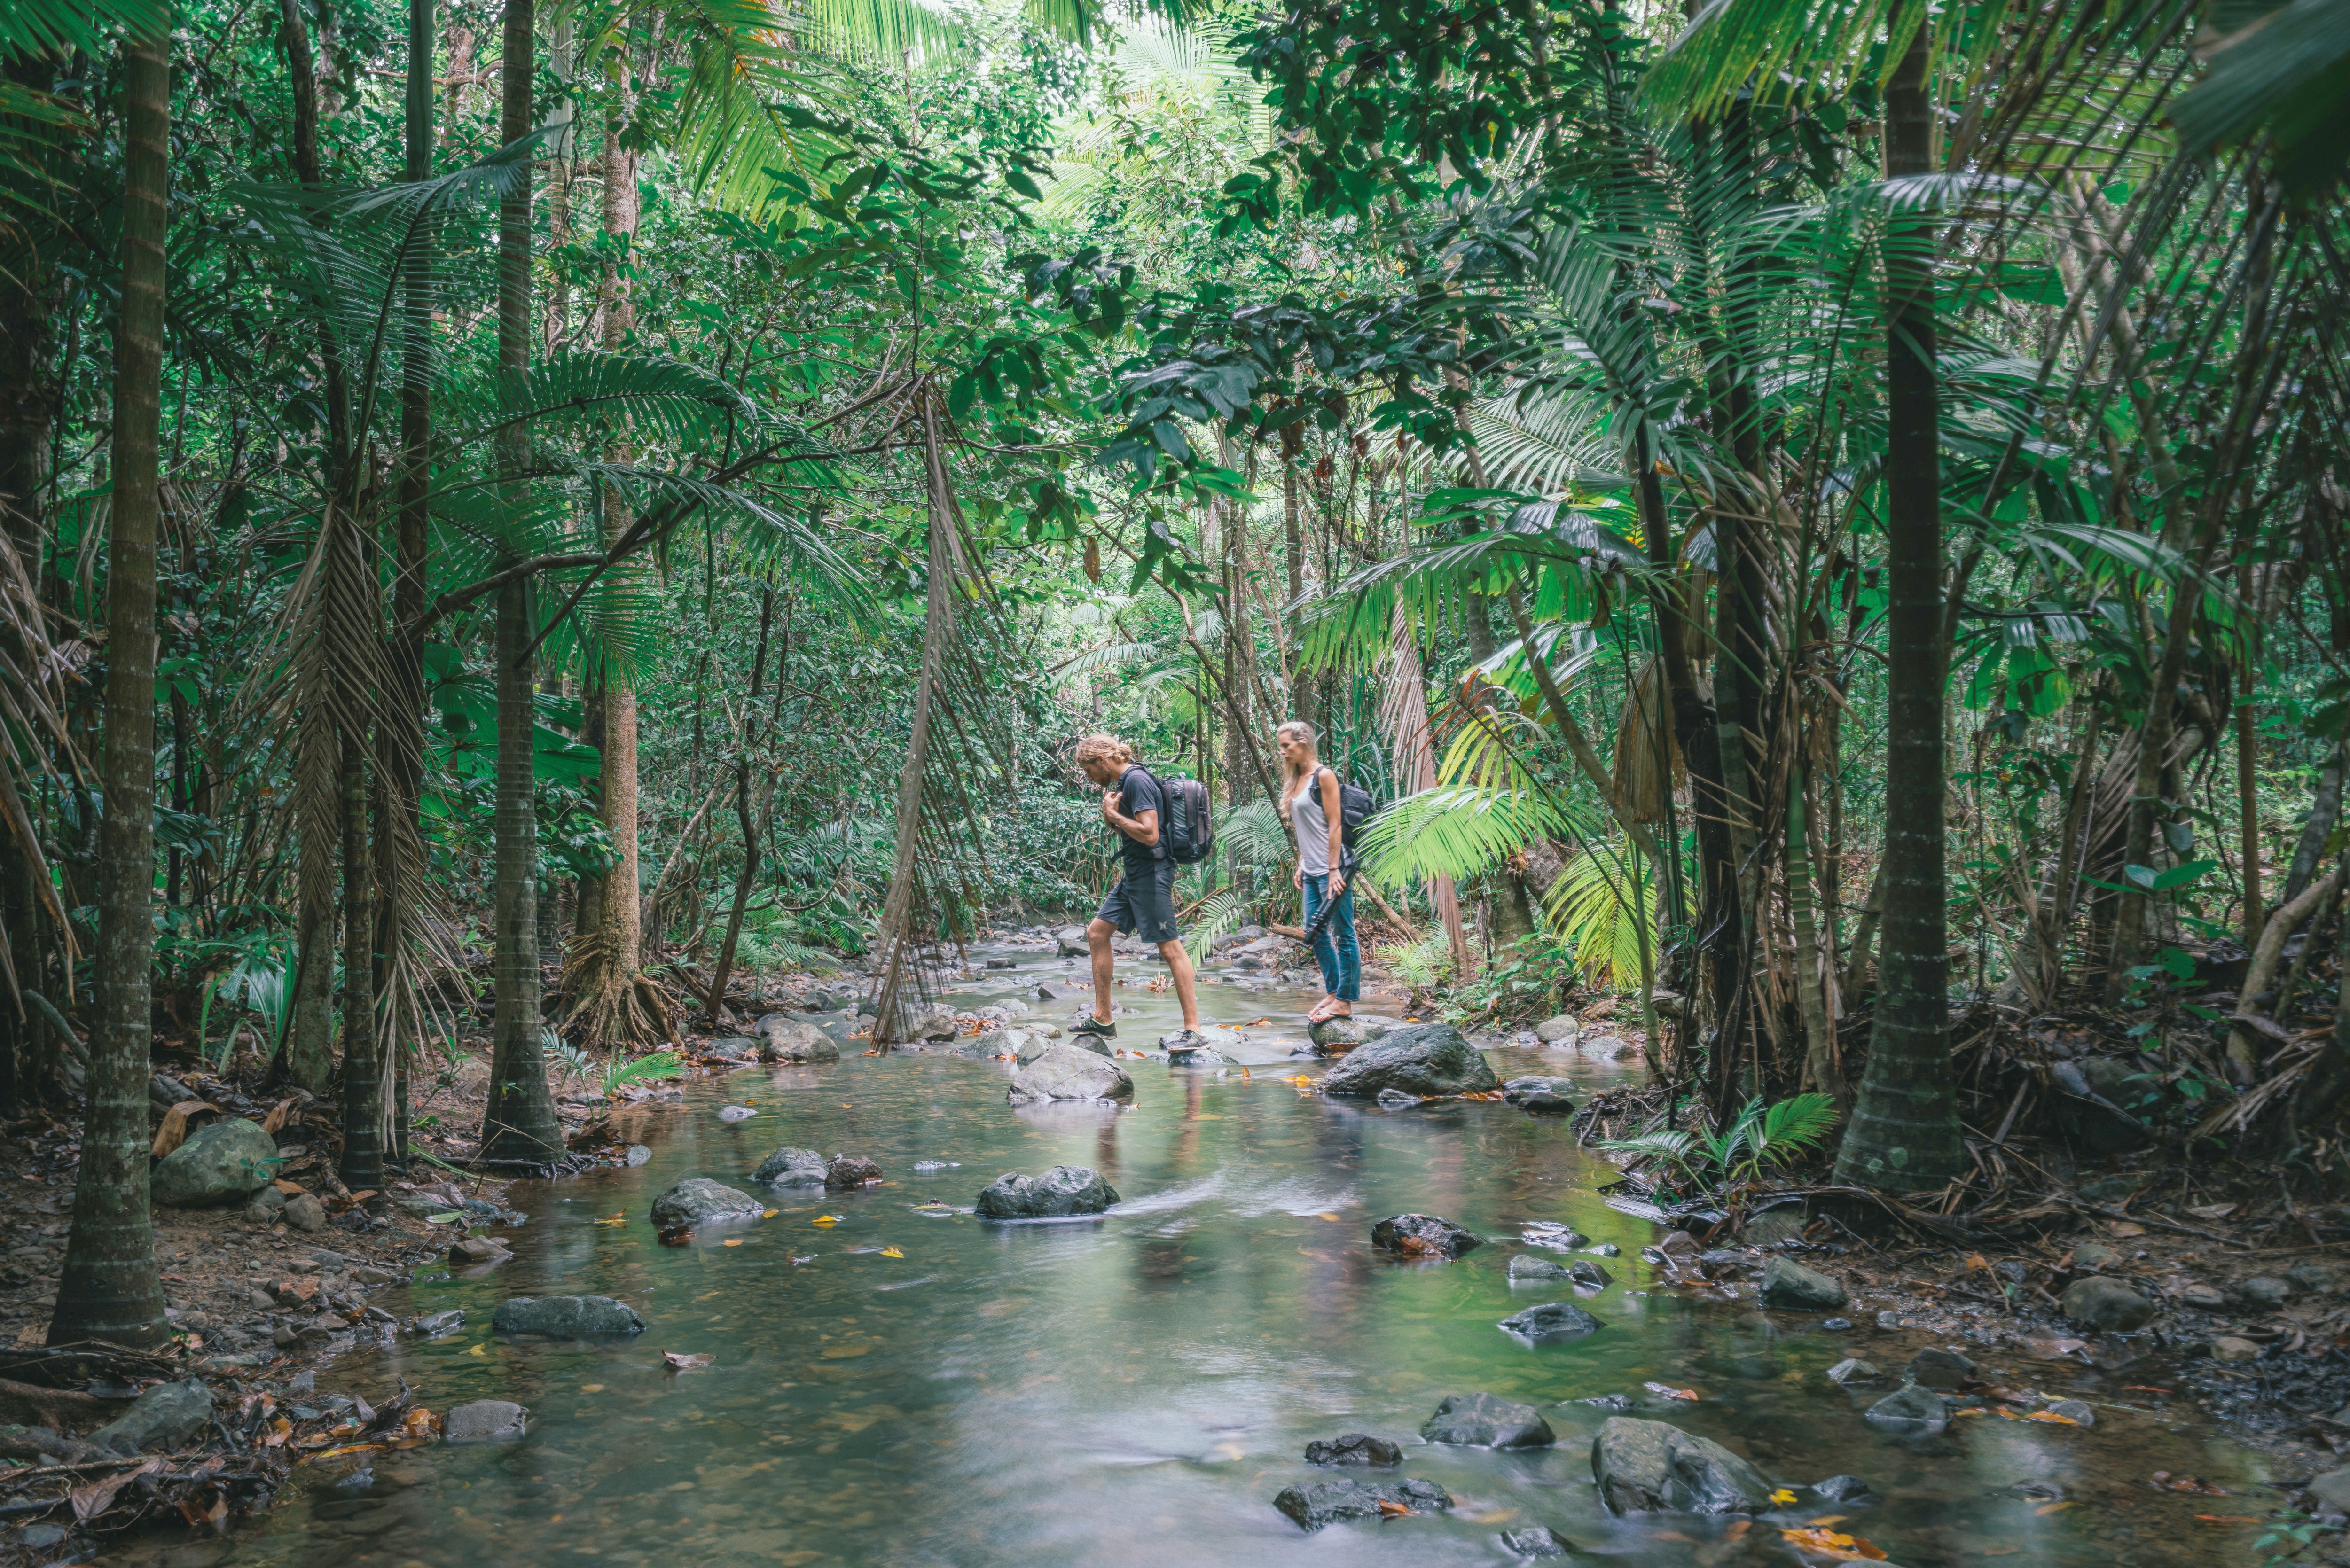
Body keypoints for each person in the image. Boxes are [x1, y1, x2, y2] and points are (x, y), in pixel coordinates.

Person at [1073, 733, 1206, 1051]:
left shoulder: (1136, 781)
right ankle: (1103, 1018)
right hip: (1134, 874)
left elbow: (1150, 833)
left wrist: (1114, 816)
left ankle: (1194, 1030)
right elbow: (1131, 828)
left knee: (1170, 948)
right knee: (1097, 933)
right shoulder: (1123, 785)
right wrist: (1113, 817)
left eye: (1090, 771)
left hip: (1152, 874)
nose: (1092, 779)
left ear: (1102, 760)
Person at [1276, 720, 1359, 1023]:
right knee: (1314, 933)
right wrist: (1301, 863)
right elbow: (1309, 829)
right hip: (1311, 869)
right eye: (1281, 746)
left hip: (1332, 868)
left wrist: (1334, 869)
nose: (1283, 752)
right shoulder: (1296, 780)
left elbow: (1335, 824)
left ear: (1304, 743)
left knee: (1344, 933)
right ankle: (1335, 991)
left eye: (1287, 746)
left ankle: (1345, 1000)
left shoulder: (1324, 776)